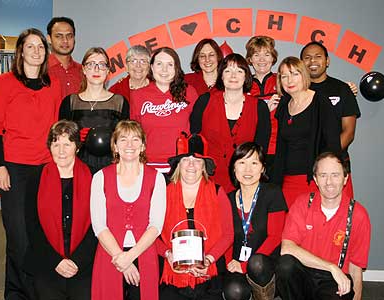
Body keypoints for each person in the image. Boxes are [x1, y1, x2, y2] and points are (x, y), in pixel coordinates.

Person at [0, 28, 62, 299]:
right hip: (14, 169)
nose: (36, 51)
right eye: (30, 46)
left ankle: (37, 289)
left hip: (45, 168)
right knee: (18, 236)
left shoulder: (52, 84)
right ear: (20, 51)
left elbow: (56, 128)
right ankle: (18, 293)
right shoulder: (3, 83)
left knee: (39, 233)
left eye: (40, 46)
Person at [276, 152, 371, 300]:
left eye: (335, 175)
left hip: (334, 281)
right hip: (305, 275)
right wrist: (331, 267)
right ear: (315, 179)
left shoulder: (358, 215)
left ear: (345, 178)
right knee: (285, 264)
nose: (329, 182)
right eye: (323, 175)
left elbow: (356, 267)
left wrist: (357, 297)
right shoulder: (302, 203)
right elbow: (287, 248)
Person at [90, 120, 166, 300]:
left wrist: (130, 256)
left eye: (135, 139)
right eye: (123, 139)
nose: (129, 145)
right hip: (110, 255)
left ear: (143, 146)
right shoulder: (100, 177)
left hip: (144, 253)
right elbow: (99, 225)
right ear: (115, 146)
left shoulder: (157, 178)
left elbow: (156, 225)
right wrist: (121, 259)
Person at [24, 120, 97, 300]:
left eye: (67, 144)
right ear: (50, 147)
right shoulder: (37, 177)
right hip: (47, 259)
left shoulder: (94, 176)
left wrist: (77, 261)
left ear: (77, 147)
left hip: (83, 261)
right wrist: (56, 261)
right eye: (56, 144)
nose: (61, 151)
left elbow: (98, 225)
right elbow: (32, 225)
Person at [157, 134, 233, 300]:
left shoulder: (218, 192)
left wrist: (208, 260)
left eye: (197, 160)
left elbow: (228, 235)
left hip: (209, 271)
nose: (191, 164)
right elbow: (152, 233)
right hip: (172, 272)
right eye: (186, 159)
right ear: (178, 164)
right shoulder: (162, 193)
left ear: (204, 166)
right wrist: (168, 255)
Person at [190, 53, 271, 192]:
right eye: (228, 71)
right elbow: (194, 141)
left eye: (239, 71)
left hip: (245, 182)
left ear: (246, 76)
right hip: (209, 180)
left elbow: (261, 149)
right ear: (221, 75)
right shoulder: (205, 101)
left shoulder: (259, 107)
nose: (233, 76)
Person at [271, 56, 341, 208]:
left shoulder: (320, 102)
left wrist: (325, 177)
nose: (290, 80)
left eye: (295, 74)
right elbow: (280, 147)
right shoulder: (283, 105)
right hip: (287, 181)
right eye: (284, 76)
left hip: (312, 180)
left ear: (304, 75)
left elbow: (333, 144)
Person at [223, 142, 287, 300]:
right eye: (242, 163)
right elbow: (224, 236)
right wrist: (230, 263)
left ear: (263, 168)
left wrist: (246, 265)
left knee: (257, 264)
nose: (248, 169)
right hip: (238, 262)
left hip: (265, 264)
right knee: (234, 290)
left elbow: (275, 237)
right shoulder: (226, 199)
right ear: (234, 168)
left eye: (254, 163)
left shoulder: (273, 193)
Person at [300, 42, 361, 198]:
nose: (312, 61)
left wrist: (326, 160)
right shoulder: (296, 92)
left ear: (327, 61)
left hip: (336, 166)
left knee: (341, 218)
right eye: (307, 57)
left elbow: (349, 132)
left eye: (318, 57)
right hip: (304, 171)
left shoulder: (342, 89)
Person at [59, 47, 129, 174]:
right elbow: (60, 141)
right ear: (84, 69)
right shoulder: (70, 102)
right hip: (77, 169)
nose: (96, 69)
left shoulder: (120, 102)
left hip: (111, 169)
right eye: (91, 64)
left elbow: (125, 140)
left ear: (108, 70)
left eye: (101, 65)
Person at [131, 47, 198, 173]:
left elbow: (197, 129)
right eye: (159, 64)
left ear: (176, 68)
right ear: (151, 67)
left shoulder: (189, 92)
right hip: (148, 166)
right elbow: (134, 133)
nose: (164, 69)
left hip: (181, 166)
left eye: (170, 64)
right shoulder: (138, 95)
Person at [245, 36, 281, 178]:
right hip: (252, 151)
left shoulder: (282, 80)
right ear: (250, 59)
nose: (262, 59)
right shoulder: (243, 83)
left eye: (266, 55)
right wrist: (265, 109)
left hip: (278, 149)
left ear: (273, 58)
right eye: (256, 55)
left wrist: (343, 88)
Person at [47, 16, 83, 98]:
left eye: (69, 36)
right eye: (59, 36)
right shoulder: (40, 70)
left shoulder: (83, 72)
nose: (65, 41)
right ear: (49, 39)